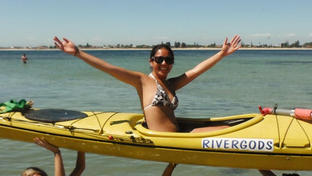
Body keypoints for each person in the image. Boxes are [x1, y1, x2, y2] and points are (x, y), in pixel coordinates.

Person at [53, 35, 241, 132]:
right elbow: (109, 68)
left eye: (168, 60)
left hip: (179, 138)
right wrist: (78, 53)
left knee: (229, 126)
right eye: (159, 60)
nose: (164, 64)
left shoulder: (172, 84)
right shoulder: (142, 81)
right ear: (151, 61)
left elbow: (197, 70)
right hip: (165, 141)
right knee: (226, 129)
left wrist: (221, 54)